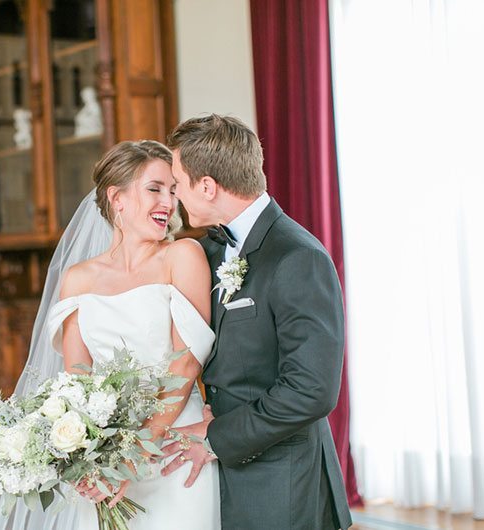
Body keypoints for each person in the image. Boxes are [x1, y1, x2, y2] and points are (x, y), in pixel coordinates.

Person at [0, 140, 221, 530]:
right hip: (105, 456)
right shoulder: (78, 279)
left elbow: (186, 363)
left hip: (173, 446)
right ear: (117, 198)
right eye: (155, 188)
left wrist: (134, 457)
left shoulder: (183, 256)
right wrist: (90, 455)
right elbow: (77, 376)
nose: (169, 202)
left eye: (174, 191)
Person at [160, 114, 354, 530]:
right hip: (223, 473)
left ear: (207, 186)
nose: (175, 197)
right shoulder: (206, 251)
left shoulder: (298, 257)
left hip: (282, 480)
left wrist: (215, 437)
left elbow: (312, 391)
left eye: (178, 184)